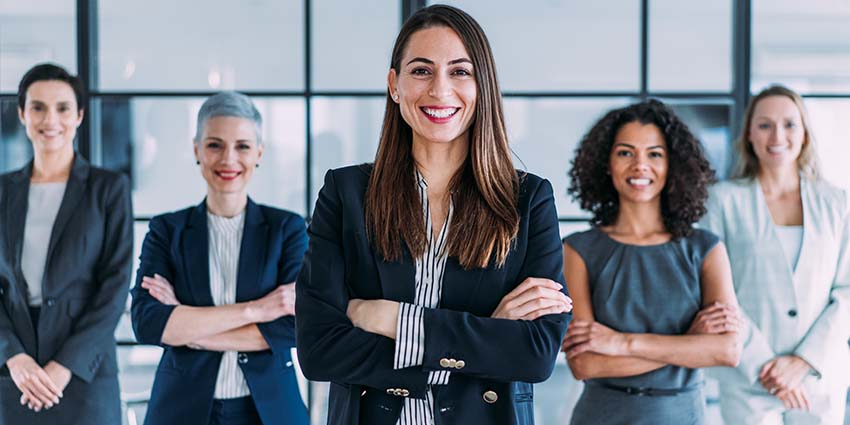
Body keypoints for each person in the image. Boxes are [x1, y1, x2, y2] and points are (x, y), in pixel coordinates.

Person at [295, 5, 572, 425]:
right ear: (394, 84)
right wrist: (486, 332)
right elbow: (318, 350)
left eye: (460, 72)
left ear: (483, 86)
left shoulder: (528, 200)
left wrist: (390, 318)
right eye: (422, 71)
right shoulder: (346, 193)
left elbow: (534, 354)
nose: (440, 91)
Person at [130, 91, 309, 425]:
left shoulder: (287, 228)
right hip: (182, 408)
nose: (229, 159)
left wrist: (189, 330)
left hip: (270, 410)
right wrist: (257, 310)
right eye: (214, 145)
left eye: (242, 146)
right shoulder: (167, 230)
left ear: (259, 152)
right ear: (197, 150)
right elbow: (148, 322)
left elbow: (296, 325)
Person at [561, 100, 742, 425]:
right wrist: (689, 344)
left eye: (654, 154)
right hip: (602, 415)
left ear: (673, 164)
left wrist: (620, 343)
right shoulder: (578, 250)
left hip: (682, 415)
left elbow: (726, 352)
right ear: (606, 163)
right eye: (625, 153)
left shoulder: (706, 249)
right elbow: (585, 364)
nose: (640, 165)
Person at [701, 85, 850, 424]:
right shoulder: (722, 201)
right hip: (748, 375)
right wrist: (767, 367)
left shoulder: (837, 202)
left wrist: (802, 362)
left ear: (805, 134)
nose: (777, 135)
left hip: (818, 376)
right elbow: (716, 292)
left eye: (789, 124)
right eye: (765, 124)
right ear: (749, 134)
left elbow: (847, 291)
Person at [0, 63, 132, 424]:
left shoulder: (108, 189)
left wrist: (66, 365)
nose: (50, 119)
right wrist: (13, 356)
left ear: (79, 116)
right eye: (38, 107)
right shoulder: (2, 191)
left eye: (62, 108)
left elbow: (115, 286)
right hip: (16, 374)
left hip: (84, 372)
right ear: (23, 114)